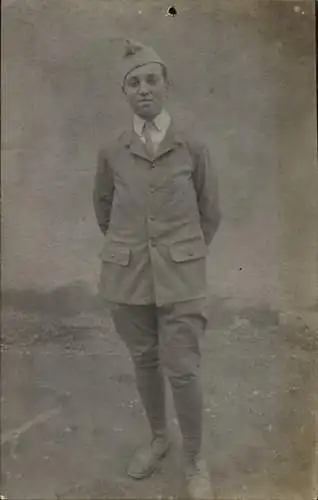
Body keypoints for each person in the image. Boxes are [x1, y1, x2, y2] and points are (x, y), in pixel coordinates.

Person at [93, 39, 221, 499]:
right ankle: (159, 440)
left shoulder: (193, 145)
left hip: (182, 277)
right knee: (145, 362)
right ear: (124, 93)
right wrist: (134, 250)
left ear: (166, 85)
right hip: (128, 277)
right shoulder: (113, 149)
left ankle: (194, 460)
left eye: (151, 80)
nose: (143, 89)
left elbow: (211, 212)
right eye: (133, 83)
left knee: (182, 368)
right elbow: (104, 209)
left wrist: (180, 253)